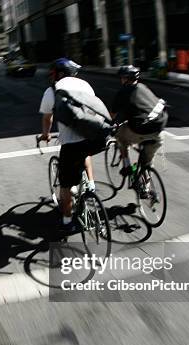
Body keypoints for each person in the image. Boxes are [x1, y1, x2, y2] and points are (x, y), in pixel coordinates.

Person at [37, 58, 107, 233]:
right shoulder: (85, 85)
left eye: (53, 73)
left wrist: (45, 134)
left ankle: (67, 222)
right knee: (85, 152)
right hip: (96, 138)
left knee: (66, 186)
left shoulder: (53, 89)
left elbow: (47, 117)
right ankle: (90, 184)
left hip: (71, 144)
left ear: (59, 73)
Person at [110, 65, 167, 196]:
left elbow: (112, 115)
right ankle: (145, 187)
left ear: (125, 79)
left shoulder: (123, 92)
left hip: (140, 131)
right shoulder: (143, 87)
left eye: (121, 78)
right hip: (159, 131)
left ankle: (126, 165)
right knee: (147, 161)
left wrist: (109, 125)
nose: (121, 80)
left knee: (120, 136)